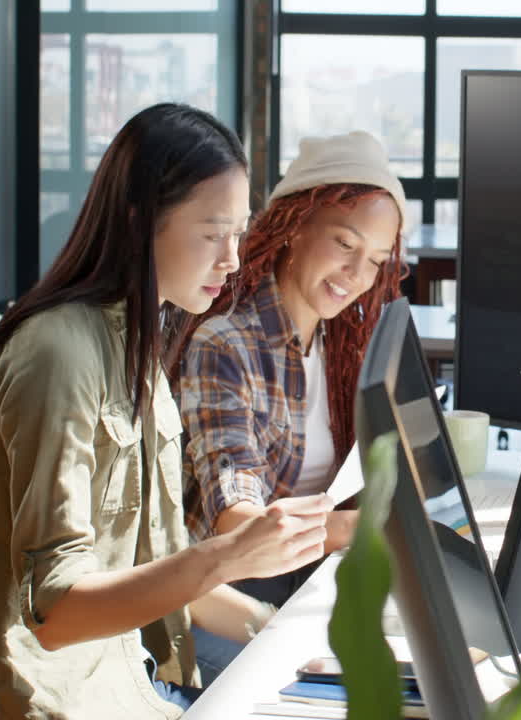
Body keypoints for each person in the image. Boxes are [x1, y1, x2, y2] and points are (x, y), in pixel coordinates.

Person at [0, 103, 332, 718]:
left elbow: (166, 566)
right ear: (138, 221)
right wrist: (230, 554)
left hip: (134, 683)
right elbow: (58, 611)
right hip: (58, 702)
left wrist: (279, 630)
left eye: (239, 232)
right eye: (211, 234)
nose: (231, 259)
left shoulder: (139, 341)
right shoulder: (57, 354)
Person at [172, 130, 407, 608]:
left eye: (376, 261)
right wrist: (355, 528)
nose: (358, 275)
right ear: (296, 226)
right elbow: (237, 523)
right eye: (345, 244)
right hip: (230, 599)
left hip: (309, 581)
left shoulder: (340, 344)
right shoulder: (226, 344)